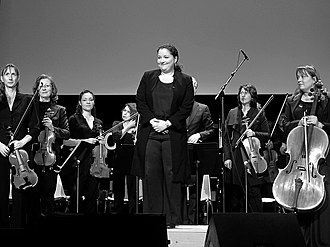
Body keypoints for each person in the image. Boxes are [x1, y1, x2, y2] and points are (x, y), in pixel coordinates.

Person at [132, 43, 194, 228]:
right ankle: (152, 219)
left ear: (175, 59)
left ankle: (170, 219)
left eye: (166, 57)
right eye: (159, 57)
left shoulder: (185, 80)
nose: (162, 60)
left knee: (171, 175)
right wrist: (152, 121)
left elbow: (186, 107)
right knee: (151, 175)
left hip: (172, 135)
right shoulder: (148, 77)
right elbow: (140, 102)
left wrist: (168, 123)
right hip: (150, 134)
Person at [281, 65, 330, 247]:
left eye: (303, 77)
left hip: (318, 160)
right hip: (297, 160)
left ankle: (319, 241)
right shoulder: (292, 102)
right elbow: (282, 126)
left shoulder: (326, 101)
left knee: (322, 201)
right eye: (298, 77)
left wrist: (321, 124)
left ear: (315, 80)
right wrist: (297, 123)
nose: (299, 80)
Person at [0, 63, 39, 228]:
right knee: (1, 189)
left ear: (18, 78)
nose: (10, 77)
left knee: (20, 189)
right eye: (7, 74)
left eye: (13, 74)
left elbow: (35, 127)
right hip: (1, 150)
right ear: (2, 78)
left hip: (21, 152)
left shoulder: (27, 100)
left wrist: (22, 142)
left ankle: (18, 224)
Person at [222, 83, 269, 213]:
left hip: (252, 155)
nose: (243, 95)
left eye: (246, 93)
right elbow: (226, 138)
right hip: (236, 154)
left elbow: (267, 134)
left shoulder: (258, 113)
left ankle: (257, 220)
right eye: (241, 93)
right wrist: (227, 157)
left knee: (253, 191)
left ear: (252, 96)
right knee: (236, 192)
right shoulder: (232, 112)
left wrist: (254, 133)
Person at [31, 74, 70, 217]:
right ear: (37, 88)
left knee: (48, 192)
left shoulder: (60, 110)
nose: (44, 88)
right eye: (41, 85)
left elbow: (66, 133)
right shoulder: (31, 107)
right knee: (34, 193)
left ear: (52, 89)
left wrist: (53, 128)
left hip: (51, 155)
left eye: (47, 85)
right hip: (33, 153)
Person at [62, 89, 103, 214]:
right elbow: (66, 141)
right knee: (76, 195)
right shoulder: (74, 119)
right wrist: (85, 140)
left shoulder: (98, 122)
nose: (88, 102)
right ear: (80, 102)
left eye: (91, 100)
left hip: (94, 162)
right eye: (85, 100)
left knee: (92, 195)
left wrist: (101, 141)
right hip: (78, 161)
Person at [183, 76, 216, 224]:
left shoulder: (203, 108)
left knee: (195, 189)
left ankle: (193, 219)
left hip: (195, 155)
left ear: (195, 89)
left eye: (192, 87)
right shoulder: (175, 107)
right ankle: (180, 218)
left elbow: (211, 130)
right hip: (178, 153)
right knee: (178, 187)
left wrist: (199, 135)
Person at [111, 102, 138, 214]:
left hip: (133, 160)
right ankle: (118, 211)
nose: (125, 113)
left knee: (133, 189)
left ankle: (133, 211)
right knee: (118, 188)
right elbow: (116, 138)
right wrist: (127, 127)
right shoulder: (117, 124)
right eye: (124, 111)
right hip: (119, 160)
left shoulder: (138, 127)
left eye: (128, 111)